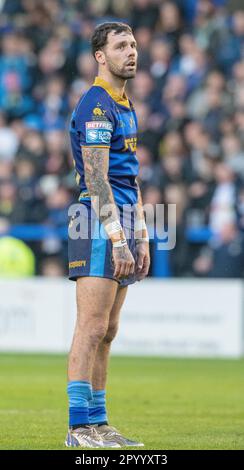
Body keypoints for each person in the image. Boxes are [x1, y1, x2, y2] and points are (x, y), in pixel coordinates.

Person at [66, 22, 150, 448]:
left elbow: (130, 177)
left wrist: (143, 234)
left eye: (133, 44)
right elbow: (97, 181)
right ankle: (78, 428)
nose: (131, 52)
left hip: (124, 220)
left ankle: (98, 422)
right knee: (92, 325)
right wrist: (119, 237)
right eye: (121, 46)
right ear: (101, 56)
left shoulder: (125, 104)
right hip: (97, 220)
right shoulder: (97, 105)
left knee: (110, 328)